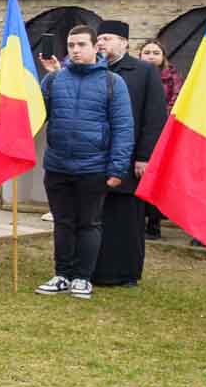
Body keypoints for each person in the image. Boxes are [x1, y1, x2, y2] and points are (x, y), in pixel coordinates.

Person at [34, 26, 134, 299]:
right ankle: (62, 274)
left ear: (94, 48)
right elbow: (36, 113)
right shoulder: (55, 80)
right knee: (63, 223)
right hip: (58, 165)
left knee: (89, 224)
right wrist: (46, 78)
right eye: (71, 45)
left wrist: (117, 168)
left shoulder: (113, 82)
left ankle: (82, 277)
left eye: (81, 44)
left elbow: (124, 128)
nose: (75, 50)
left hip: (94, 167)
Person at [92, 19, 169, 287]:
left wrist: (145, 156)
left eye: (108, 38)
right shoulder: (92, 70)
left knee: (127, 218)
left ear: (125, 43)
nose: (102, 43)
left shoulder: (143, 72)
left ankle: (126, 273)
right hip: (97, 157)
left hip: (132, 158)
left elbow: (155, 116)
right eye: (99, 39)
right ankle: (96, 269)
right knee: (97, 215)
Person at [138, 39, 180, 237]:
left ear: (163, 56)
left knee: (156, 179)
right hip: (137, 132)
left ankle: (154, 224)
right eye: (147, 52)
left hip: (162, 134)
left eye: (156, 52)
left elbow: (175, 102)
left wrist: (156, 117)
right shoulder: (134, 75)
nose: (151, 56)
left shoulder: (172, 78)